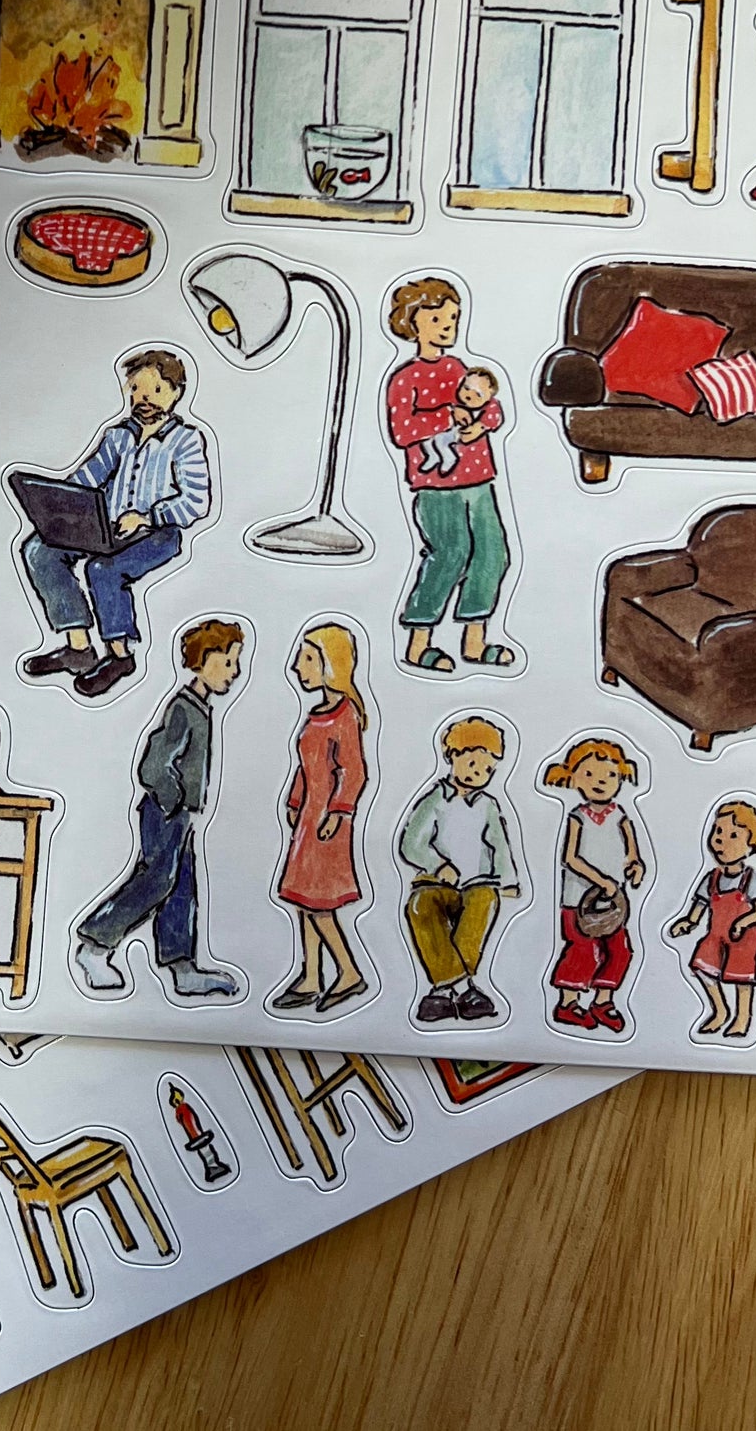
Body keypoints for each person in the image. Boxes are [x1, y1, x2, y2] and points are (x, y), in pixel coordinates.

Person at [22, 348, 212, 700]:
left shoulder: (185, 441)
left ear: (176, 393)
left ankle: (120, 656)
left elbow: (196, 501)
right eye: (136, 389)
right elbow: (88, 477)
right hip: (107, 526)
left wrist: (148, 516)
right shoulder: (119, 436)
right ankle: (79, 648)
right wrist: (60, 503)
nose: (144, 398)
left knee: (103, 569)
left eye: (156, 390)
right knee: (39, 549)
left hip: (157, 533)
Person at [74, 618, 244, 1000]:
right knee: (155, 882)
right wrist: (173, 800)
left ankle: (182, 968)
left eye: (235, 663)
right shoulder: (184, 708)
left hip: (180, 814)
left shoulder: (199, 707)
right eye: (228, 662)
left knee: (181, 888)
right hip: (164, 811)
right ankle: (95, 945)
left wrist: (185, 807)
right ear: (204, 660)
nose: (234, 672)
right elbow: (153, 765)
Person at [383, 278, 514, 672]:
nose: (447, 326)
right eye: (437, 319)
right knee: (450, 555)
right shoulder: (405, 378)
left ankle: (474, 641)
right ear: (413, 323)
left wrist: (483, 424)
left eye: (453, 318)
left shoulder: (458, 369)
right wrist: (447, 416)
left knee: (492, 554)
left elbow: (491, 406)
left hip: (479, 480)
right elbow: (402, 431)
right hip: (436, 487)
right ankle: (418, 644)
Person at [397, 715, 521, 1022]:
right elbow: (411, 844)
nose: (479, 773)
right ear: (452, 756)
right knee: (419, 908)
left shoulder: (488, 805)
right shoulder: (435, 799)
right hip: (435, 883)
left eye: (488, 769)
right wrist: (439, 865)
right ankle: (465, 989)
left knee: (484, 904)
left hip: (478, 883)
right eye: (473, 763)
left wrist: (508, 880)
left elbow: (499, 844)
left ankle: (442, 993)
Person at [273, 624, 370, 1013]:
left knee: (319, 904)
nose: (298, 666)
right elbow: (306, 765)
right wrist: (295, 800)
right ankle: (311, 975)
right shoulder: (317, 715)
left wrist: (340, 810)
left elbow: (354, 771)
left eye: (308, 658)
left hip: (328, 823)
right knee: (303, 900)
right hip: (308, 817)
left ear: (331, 664)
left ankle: (348, 972)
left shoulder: (345, 716)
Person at [544, 737, 647, 1033]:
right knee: (582, 950)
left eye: (610, 775)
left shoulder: (620, 816)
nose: (600, 781)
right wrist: (602, 881)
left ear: (621, 777)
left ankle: (603, 1001)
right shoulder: (577, 818)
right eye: (589, 774)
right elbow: (570, 858)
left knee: (620, 950)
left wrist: (635, 865)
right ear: (573, 777)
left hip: (613, 902)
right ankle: (568, 1004)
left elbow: (632, 851)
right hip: (578, 900)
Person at [668, 800, 756, 1038]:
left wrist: (742, 923)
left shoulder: (753, 878)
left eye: (733, 835)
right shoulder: (712, 877)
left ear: (751, 845)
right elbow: (699, 905)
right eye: (718, 832)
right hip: (716, 934)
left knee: (741, 978)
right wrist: (689, 922)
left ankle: (742, 1018)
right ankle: (720, 1011)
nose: (722, 840)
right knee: (702, 967)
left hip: (743, 937)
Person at [418, 365, 498, 477]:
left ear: (488, 399)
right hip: (446, 428)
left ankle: (449, 458)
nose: (469, 395)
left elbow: (494, 416)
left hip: (459, 432)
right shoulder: (454, 399)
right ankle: (433, 456)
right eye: (466, 388)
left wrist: (480, 426)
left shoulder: (482, 409)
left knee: (440, 441)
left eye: (478, 394)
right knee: (426, 440)